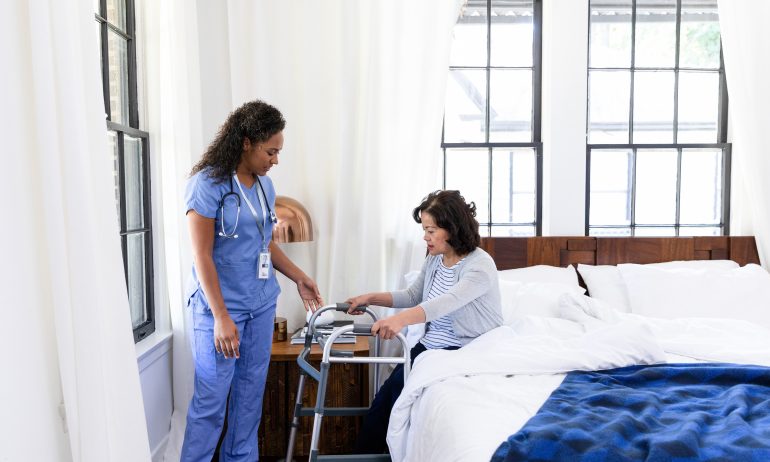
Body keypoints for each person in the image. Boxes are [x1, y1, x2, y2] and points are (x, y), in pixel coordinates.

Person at [181, 100, 324, 461]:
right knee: (211, 402)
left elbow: (264, 243)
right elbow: (201, 255)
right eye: (270, 151)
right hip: (219, 309)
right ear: (246, 142)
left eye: (278, 152)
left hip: (259, 304)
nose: (275, 160)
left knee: (248, 400)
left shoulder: (265, 187)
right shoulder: (206, 185)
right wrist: (220, 317)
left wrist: (299, 277)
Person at [345, 190, 503, 454]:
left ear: (452, 229)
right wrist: (370, 297)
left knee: (395, 400)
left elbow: (447, 302)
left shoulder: (480, 266)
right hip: (429, 348)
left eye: (431, 230)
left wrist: (400, 320)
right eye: (424, 230)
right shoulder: (435, 259)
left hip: (465, 350)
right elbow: (413, 295)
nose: (425, 237)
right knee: (382, 404)